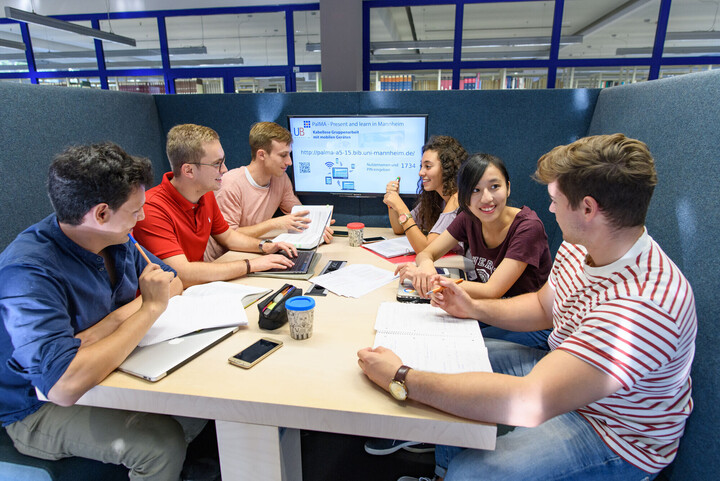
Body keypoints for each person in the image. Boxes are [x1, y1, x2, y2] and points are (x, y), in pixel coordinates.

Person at [358, 134, 697, 481]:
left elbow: (527, 400)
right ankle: (442, 474)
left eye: (555, 199)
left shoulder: (643, 306)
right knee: (452, 355)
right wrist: (471, 308)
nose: (549, 209)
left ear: (588, 208)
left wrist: (402, 378)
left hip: (612, 431)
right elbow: (541, 305)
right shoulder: (583, 246)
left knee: (473, 473)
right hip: (561, 367)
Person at [0, 142, 198, 480]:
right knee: (161, 444)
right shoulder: (27, 274)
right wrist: (148, 308)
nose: (143, 217)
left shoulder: (115, 238)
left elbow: (171, 281)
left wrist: (110, 324)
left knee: (202, 404)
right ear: (101, 213)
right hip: (33, 409)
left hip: (103, 375)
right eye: (136, 210)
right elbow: (62, 385)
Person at [407, 153, 552, 350]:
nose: (486, 198)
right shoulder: (469, 218)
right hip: (489, 311)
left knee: (456, 346)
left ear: (508, 187)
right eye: (475, 190)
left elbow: (492, 290)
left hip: (529, 323)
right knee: (429, 330)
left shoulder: (528, 227)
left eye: (495, 186)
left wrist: (435, 281)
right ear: (464, 197)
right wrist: (426, 268)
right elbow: (427, 253)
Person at [132, 123, 297, 287]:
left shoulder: (206, 195)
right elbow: (182, 273)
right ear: (188, 170)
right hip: (168, 298)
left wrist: (265, 247)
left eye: (223, 161)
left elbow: (228, 236)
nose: (224, 169)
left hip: (197, 286)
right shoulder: (151, 208)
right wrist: (251, 265)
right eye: (217, 164)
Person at [205, 121, 334, 261]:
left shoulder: (281, 178)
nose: (289, 162)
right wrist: (274, 224)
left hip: (256, 253)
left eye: (289, 154)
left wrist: (317, 227)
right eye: (283, 155)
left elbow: (300, 215)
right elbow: (228, 236)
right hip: (224, 260)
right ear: (261, 155)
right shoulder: (230, 184)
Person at [384, 135, 467, 255]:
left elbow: (426, 250)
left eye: (428, 166)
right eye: (421, 166)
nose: (421, 172)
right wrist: (392, 203)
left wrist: (401, 207)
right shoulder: (435, 197)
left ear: (448, 168)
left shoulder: (456, 200)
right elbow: (399, 228)